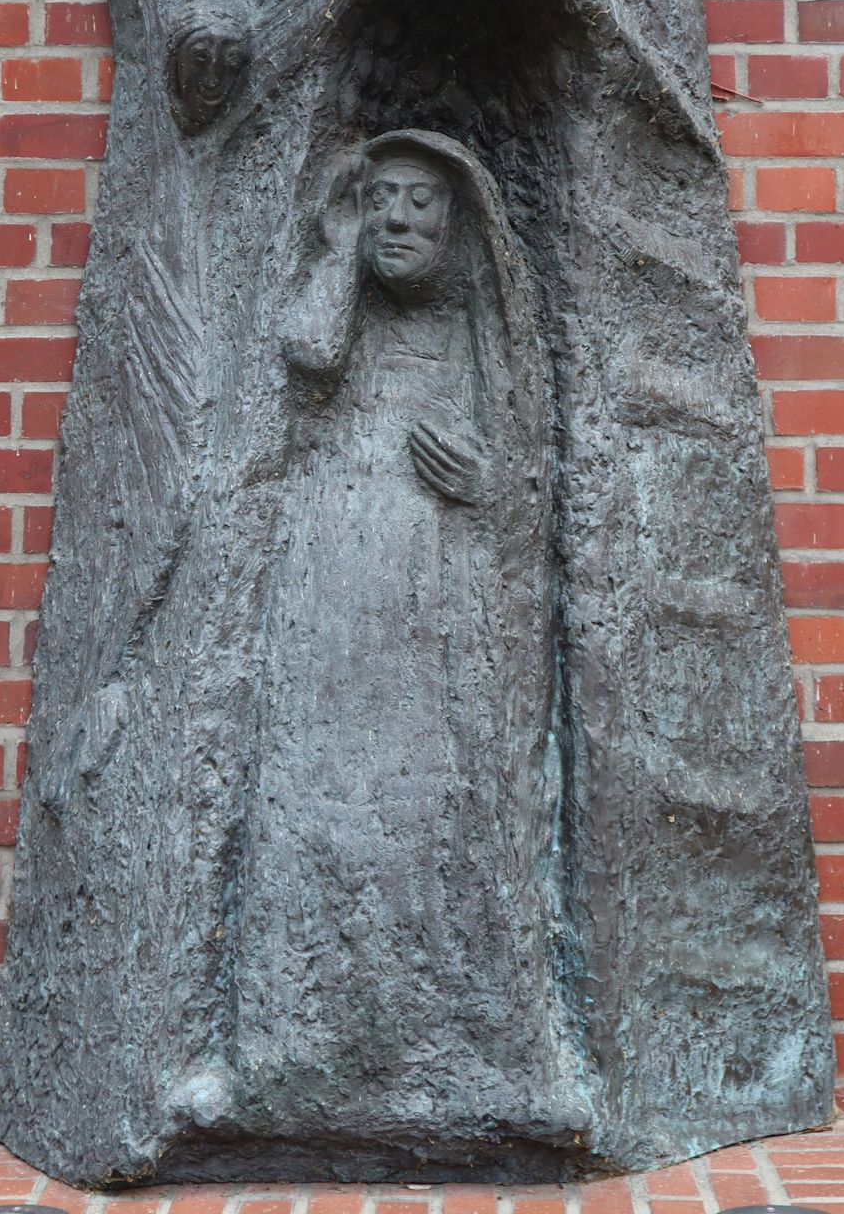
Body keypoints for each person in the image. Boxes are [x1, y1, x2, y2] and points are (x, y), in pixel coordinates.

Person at [231, 130, 579, 1152]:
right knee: (314, 802)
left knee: (445, 814)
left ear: (461, 223)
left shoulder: (484, 329)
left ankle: (479, 1053)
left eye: (421, 204)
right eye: (382, 199)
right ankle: (290, 1053)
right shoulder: (346, 303)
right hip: (331, 596)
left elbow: (532, 485)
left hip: (445, 619)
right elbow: (305, 353)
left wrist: (489, 484)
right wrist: (336, 244)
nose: (398, 219)